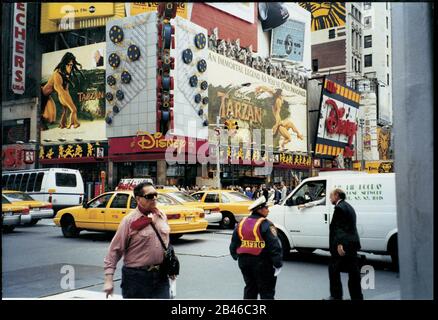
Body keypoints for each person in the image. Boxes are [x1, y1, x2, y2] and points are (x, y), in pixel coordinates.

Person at [103, 182, 175, 299]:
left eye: (156, 195)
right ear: (138, 199)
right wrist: (108, 279)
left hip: (160, 277)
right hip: (136, 278)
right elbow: (115, 250)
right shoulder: (129, 221)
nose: (154, 198)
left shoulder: (161, 216)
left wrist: (170, 266)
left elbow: (166, 244)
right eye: (149, 196)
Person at [230, 196, 283, 299]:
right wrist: (278, 264)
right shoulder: (266, 224)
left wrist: (235, 255)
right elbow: (274, 246)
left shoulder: (242, 222)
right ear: (259, 209)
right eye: (266, 208)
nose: (268, 210)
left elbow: (234, 242)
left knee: (250, 289)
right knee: (266, 292)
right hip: (262, 263)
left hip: (244, 262)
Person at [325, 188, 363, 300]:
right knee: (353, 272)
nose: (330, 198)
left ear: (337, 195)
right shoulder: (348, 206)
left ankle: (336, 296)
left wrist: (340, 244)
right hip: (352, 243)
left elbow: (340, 227)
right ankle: (357, 297)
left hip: (344, 245)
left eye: (331, 196)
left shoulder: (339, 208)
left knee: (333, 269)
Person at [41, 52, 84, 130]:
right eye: (69, 65)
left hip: (48, 96)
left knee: (63, 111)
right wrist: (73, 108)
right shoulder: (57, 74)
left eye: (71, 65)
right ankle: (70, 122)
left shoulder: (65, 75)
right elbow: (61, 92)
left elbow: (66, 92)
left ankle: (63, 123)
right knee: (49, 119)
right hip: (41, 95)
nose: (70, 67)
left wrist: (68, 107)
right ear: (64, 64)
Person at [255, 86, 304, 151]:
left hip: (280, 122)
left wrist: (261, 88)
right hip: (279, 125)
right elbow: (277, 114)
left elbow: (268, 89)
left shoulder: (276, 97)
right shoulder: (278, 101)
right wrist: (276, 124)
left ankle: (298, 134)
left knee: (291, 124)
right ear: (280, 95)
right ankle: (282, 145)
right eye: (281, 95)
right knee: (289, 138)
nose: (282, 96)